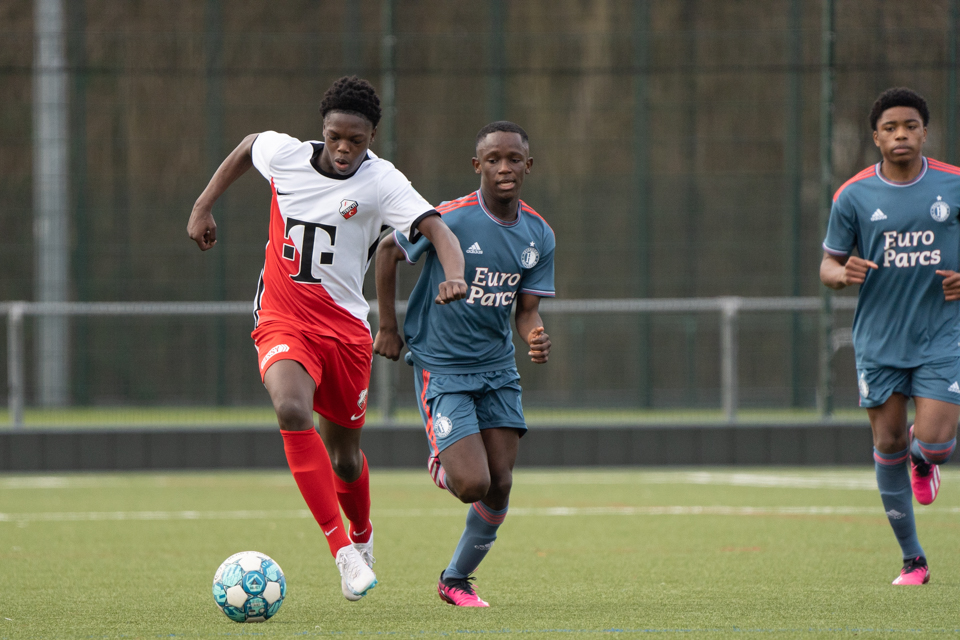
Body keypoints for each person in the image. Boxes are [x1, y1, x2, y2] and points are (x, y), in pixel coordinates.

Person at [187, 76, 467, 600]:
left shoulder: (382, 182)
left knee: (345, 456)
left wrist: (454, 272)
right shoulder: (286, 155)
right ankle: (341, 551)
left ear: (372, 138)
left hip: (345, 333)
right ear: (323, 129)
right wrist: (203, 206)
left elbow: (437, 228)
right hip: (282, 319)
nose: (344, 148)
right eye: (336, 136)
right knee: (292, 410)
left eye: (356, 141)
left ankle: (362, 535)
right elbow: (250, 146)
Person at [374, 121, 554, 607]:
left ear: (528, 166)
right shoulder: (449, 219)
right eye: (492, 159)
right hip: (443, 364)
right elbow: (388, 250)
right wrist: (387, 325)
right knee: (471, 483)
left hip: (498, 369)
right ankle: (446, 458)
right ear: (477, 166)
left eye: (513, 159)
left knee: (500, 486)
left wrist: (534, 335)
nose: (504, 168)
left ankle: (455, 580)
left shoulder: (539, 234)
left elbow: (527, 309)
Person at [820, 87, 960, 585]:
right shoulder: (853, 194)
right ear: (876, 137)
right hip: (879, 339)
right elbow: (828, 263)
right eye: (890, 128)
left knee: (939, 442)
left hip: (943, 332)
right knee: (889, 439)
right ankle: (913, 560)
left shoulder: (954, 185)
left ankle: (928, 462)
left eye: (911, 126)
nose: (901, 134)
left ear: (925, 131)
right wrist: (839, 275)